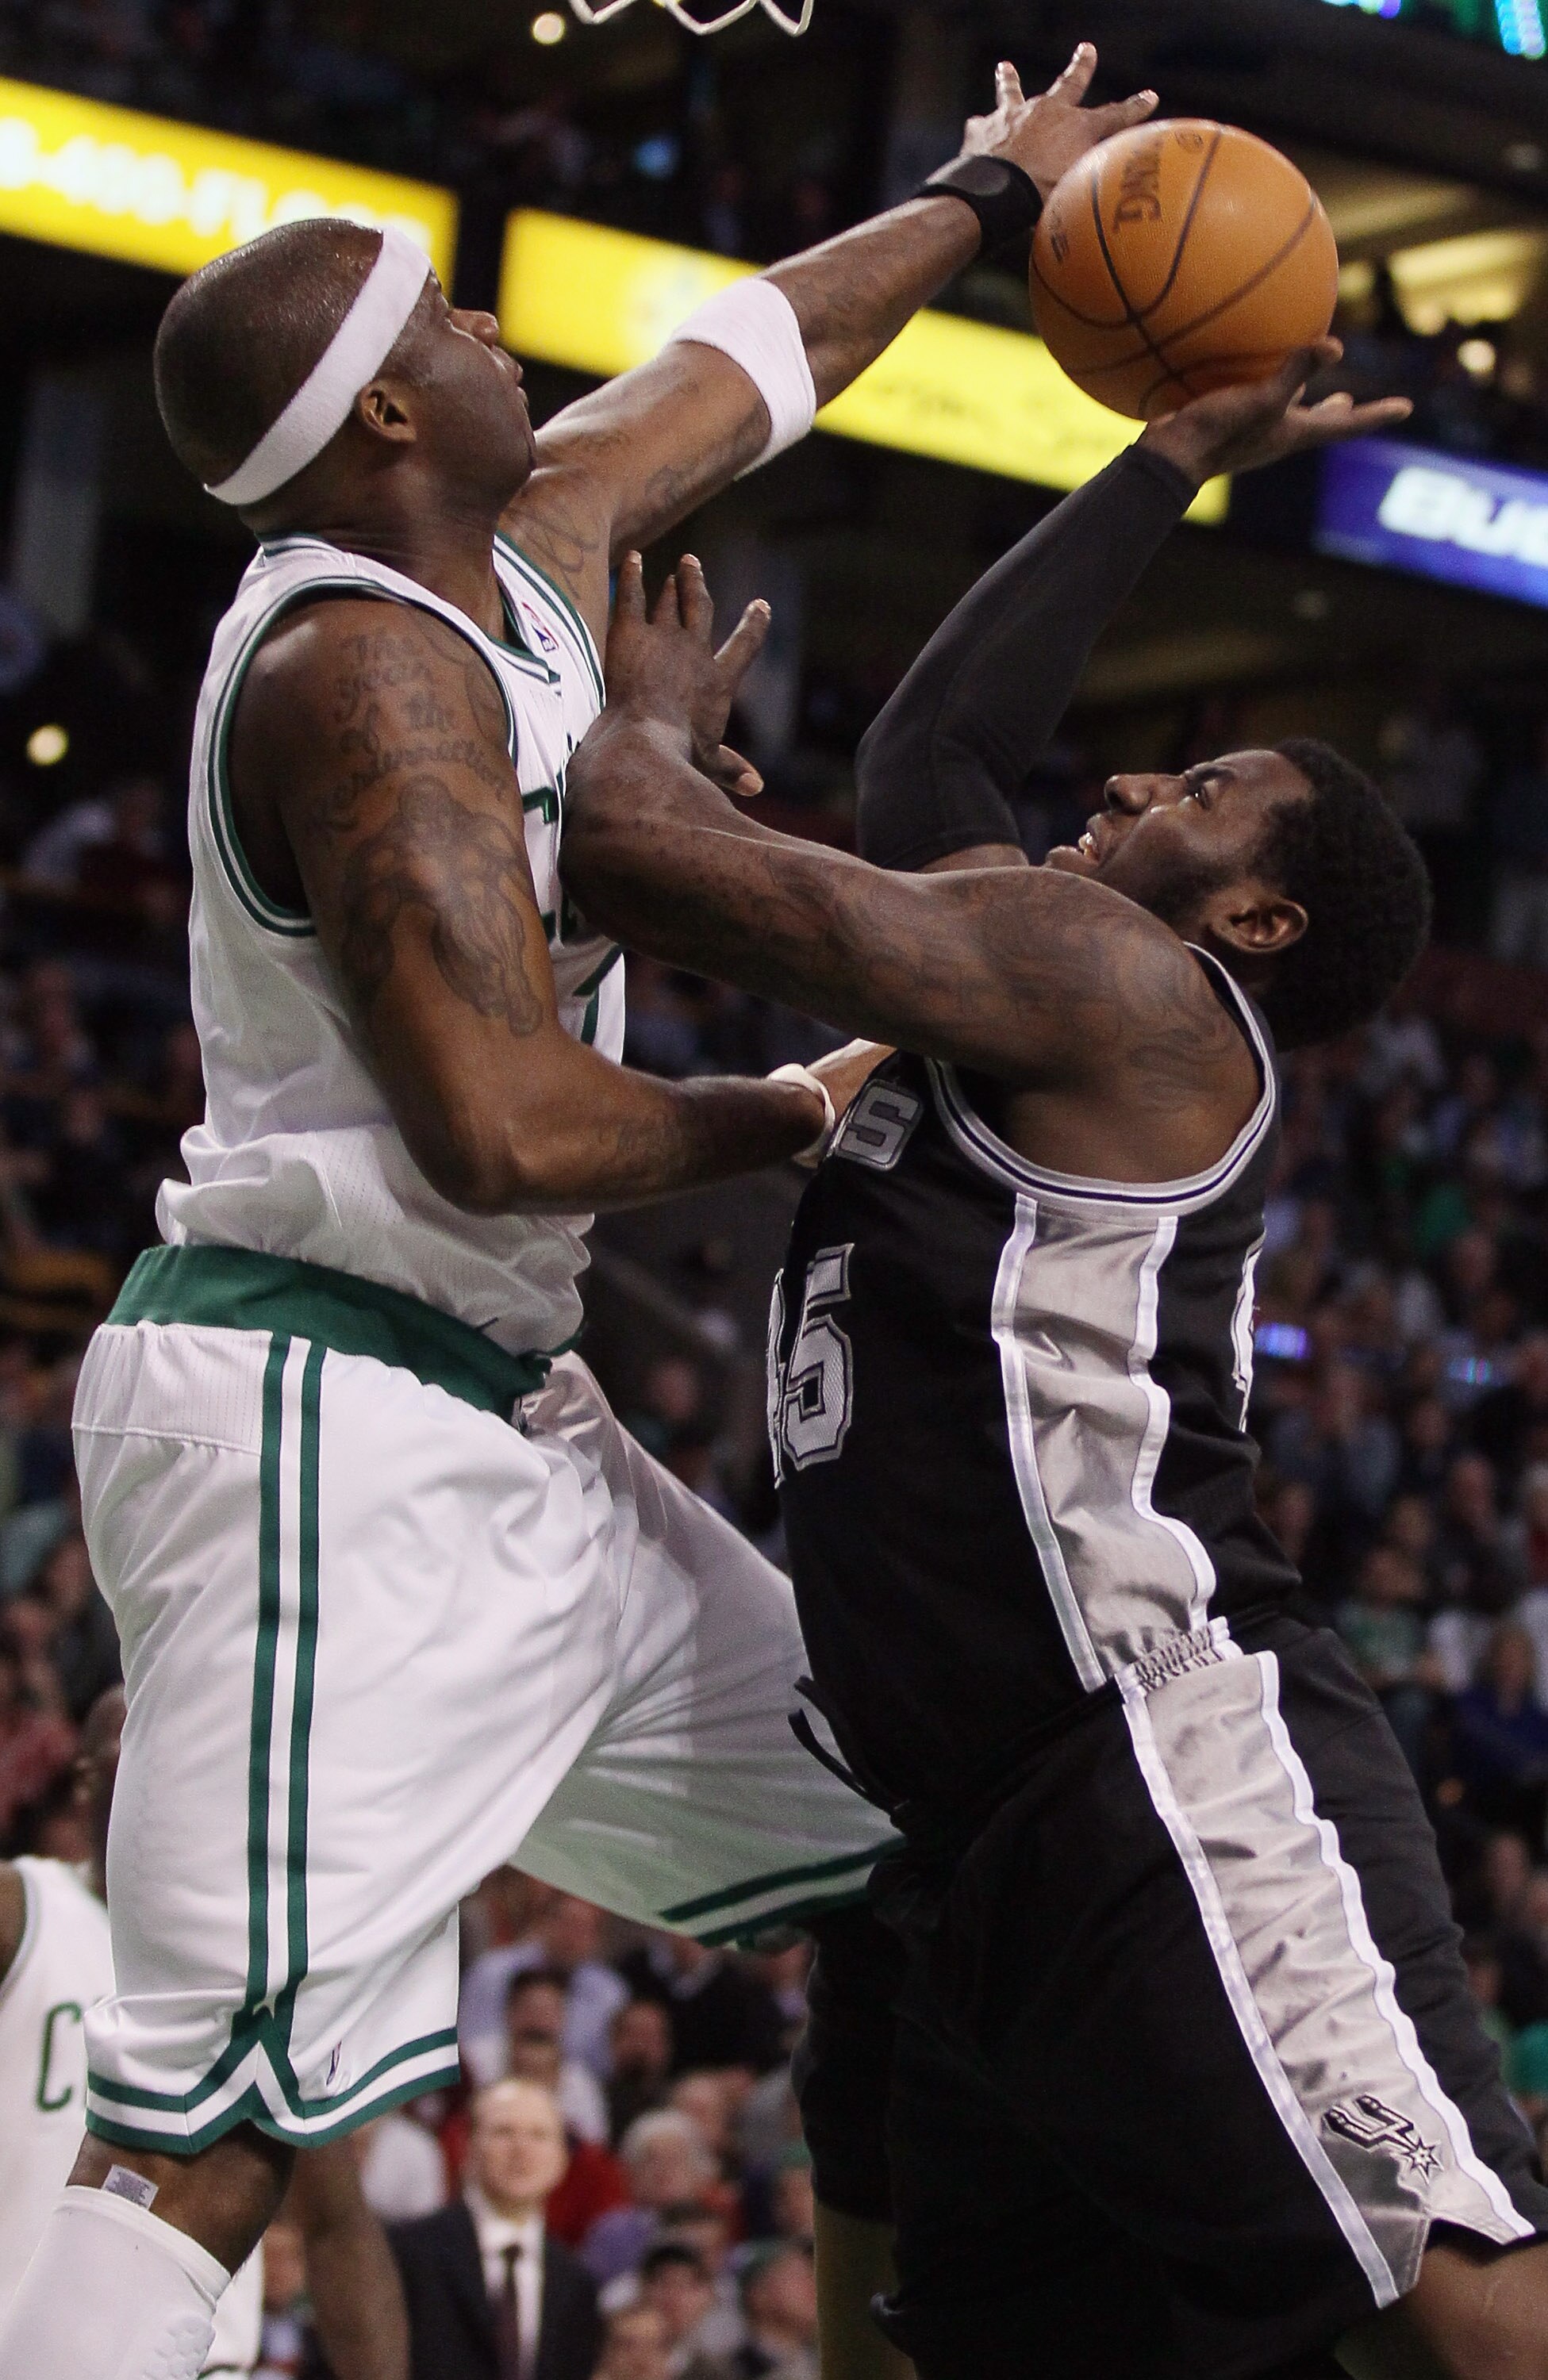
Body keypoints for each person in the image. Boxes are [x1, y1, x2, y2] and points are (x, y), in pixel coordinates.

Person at [0, 47, 1168, 2378]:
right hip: (328, 1420)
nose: (479, 321)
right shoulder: (359, 676)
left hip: (501, 1428)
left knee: (918, 1842)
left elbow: (745, 369)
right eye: (428, 315)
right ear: (376, 433)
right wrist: (775, 1107)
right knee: (222, 2136)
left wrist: (985, 191)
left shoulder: (512, 542)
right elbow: (499, 1133)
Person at [557, 351, 1548, 2376]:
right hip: (975, 1821)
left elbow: (650, 857)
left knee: (1467, 2309)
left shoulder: (1120, 985)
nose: (1114, 785)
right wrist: (1168, 450)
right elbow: (939, 737)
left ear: (1257, 916)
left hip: (1155, 1755)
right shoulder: (1003, 970)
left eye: (1194, 797)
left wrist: (641, 732)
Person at [0, 1690, 408, 2378]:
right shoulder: (25, 1908)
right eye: (145, 1742)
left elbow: (338, 2224)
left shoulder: (266, 1971)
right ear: (89, 1780)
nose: (174, 1768)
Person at [390, 2079, 601, 2380]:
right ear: (469, 2148)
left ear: (561, 2159)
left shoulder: (575, 2282)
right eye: (504, 2132)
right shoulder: (410, 2252)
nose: (521, 2149)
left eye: (538, 2135)